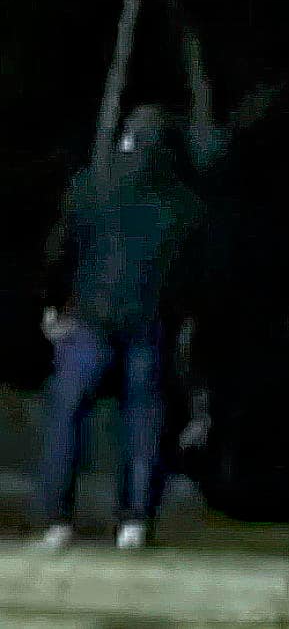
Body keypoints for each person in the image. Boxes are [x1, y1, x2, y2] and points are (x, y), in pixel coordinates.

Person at [30, 105, 203, 551]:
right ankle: (134, 520)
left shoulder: (92, 184)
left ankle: (57, 520)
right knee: (143, 422)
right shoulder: (182, 203)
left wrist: (53, 304)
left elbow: (63, 248)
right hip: (149, 321)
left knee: (67, 417)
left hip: (90, 315)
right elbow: (191, 274)